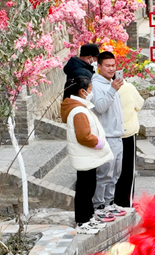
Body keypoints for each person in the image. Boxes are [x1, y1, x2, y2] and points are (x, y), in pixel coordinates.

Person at [60, 73, 113, 235]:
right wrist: (99, 142)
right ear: (82, 92)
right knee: (85, 190)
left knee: (89, 188)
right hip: (85, 155)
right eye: (90, 90)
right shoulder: (78, 111)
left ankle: (88, 217)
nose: (91, 93)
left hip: (87, 156)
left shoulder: (80, 108)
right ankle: (83, 221)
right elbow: (83, 136)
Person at [90, 52, 130, 221]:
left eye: (113, 65)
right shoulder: (96, 85)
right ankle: (99, 205)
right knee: (105, 173)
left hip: (117, 135)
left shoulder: (111, 84)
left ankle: (109, 202)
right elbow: (100, 107)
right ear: (99, 66)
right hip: (106, 136)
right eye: (107, 66)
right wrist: (112, 90)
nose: (111, 69)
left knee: (115, 173)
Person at [115, 72, 143, 209]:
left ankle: (113, 200)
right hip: (127, 134)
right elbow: (140, 104)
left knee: (113, 171)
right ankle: (125, 203)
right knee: (127, 170)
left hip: (110, 134)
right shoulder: (128, 87)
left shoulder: (100, 87)